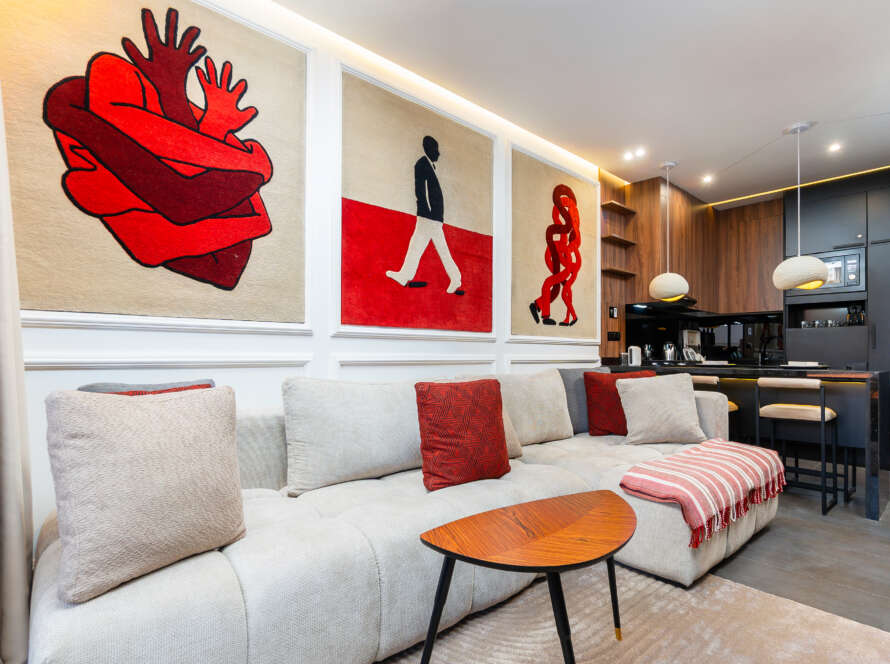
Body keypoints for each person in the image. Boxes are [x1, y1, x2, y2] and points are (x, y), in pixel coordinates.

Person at [386, 136, 463, 295]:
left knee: (428, 247)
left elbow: (427, 192)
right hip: (430, 216)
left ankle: (454, 277)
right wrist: (430, 213)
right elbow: (420, 191)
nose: (438, 153)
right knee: (419, 245)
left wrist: (430, 215)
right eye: (436, 150)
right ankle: (406, 275)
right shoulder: (422, 164)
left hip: (430, 217)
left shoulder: (426, 165)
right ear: (429, 149)